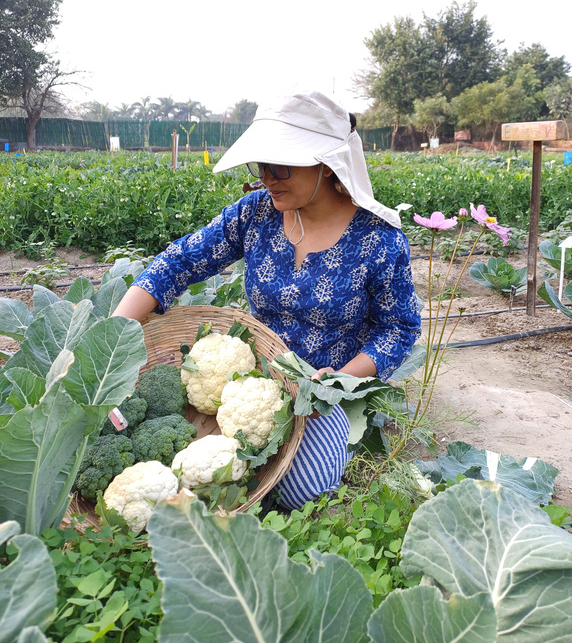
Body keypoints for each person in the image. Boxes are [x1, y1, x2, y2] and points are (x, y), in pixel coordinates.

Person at [112, 91, 421, 509]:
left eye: (280, 166)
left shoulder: (380, 241)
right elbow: (177, 263)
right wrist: (113, 339)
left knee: (300, 492)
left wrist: (337, 382)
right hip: (251, 380)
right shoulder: (256, 213)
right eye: (261, 167)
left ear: (327, 165)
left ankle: (348, 436)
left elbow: (398, 330)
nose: (267, 177)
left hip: (327, 390)